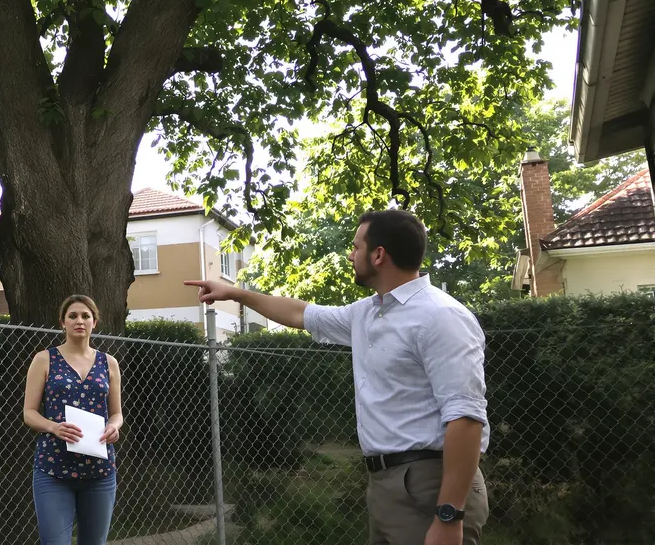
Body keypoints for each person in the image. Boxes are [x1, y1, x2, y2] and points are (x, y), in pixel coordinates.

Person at [186, 210, 489, 545]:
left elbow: (465, 418)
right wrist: (237, 294)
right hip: (386, 484)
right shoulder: (368, 312)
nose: (350, 254)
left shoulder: (441, 317)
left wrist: (448, 515)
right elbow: (301, 313)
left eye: (356, 246)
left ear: (378, 255)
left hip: (429, 483)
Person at [22, 294, 123, 545]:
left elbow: (116, 413)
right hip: (53, 468)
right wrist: (53, 427)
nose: (80, 320)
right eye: (73, 316)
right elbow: (29, 413)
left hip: (99, 472)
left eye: (86, 316)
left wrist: (114, 426)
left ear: (94, 323)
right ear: (63, 323)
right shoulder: (44, 359)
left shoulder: (109, 363)